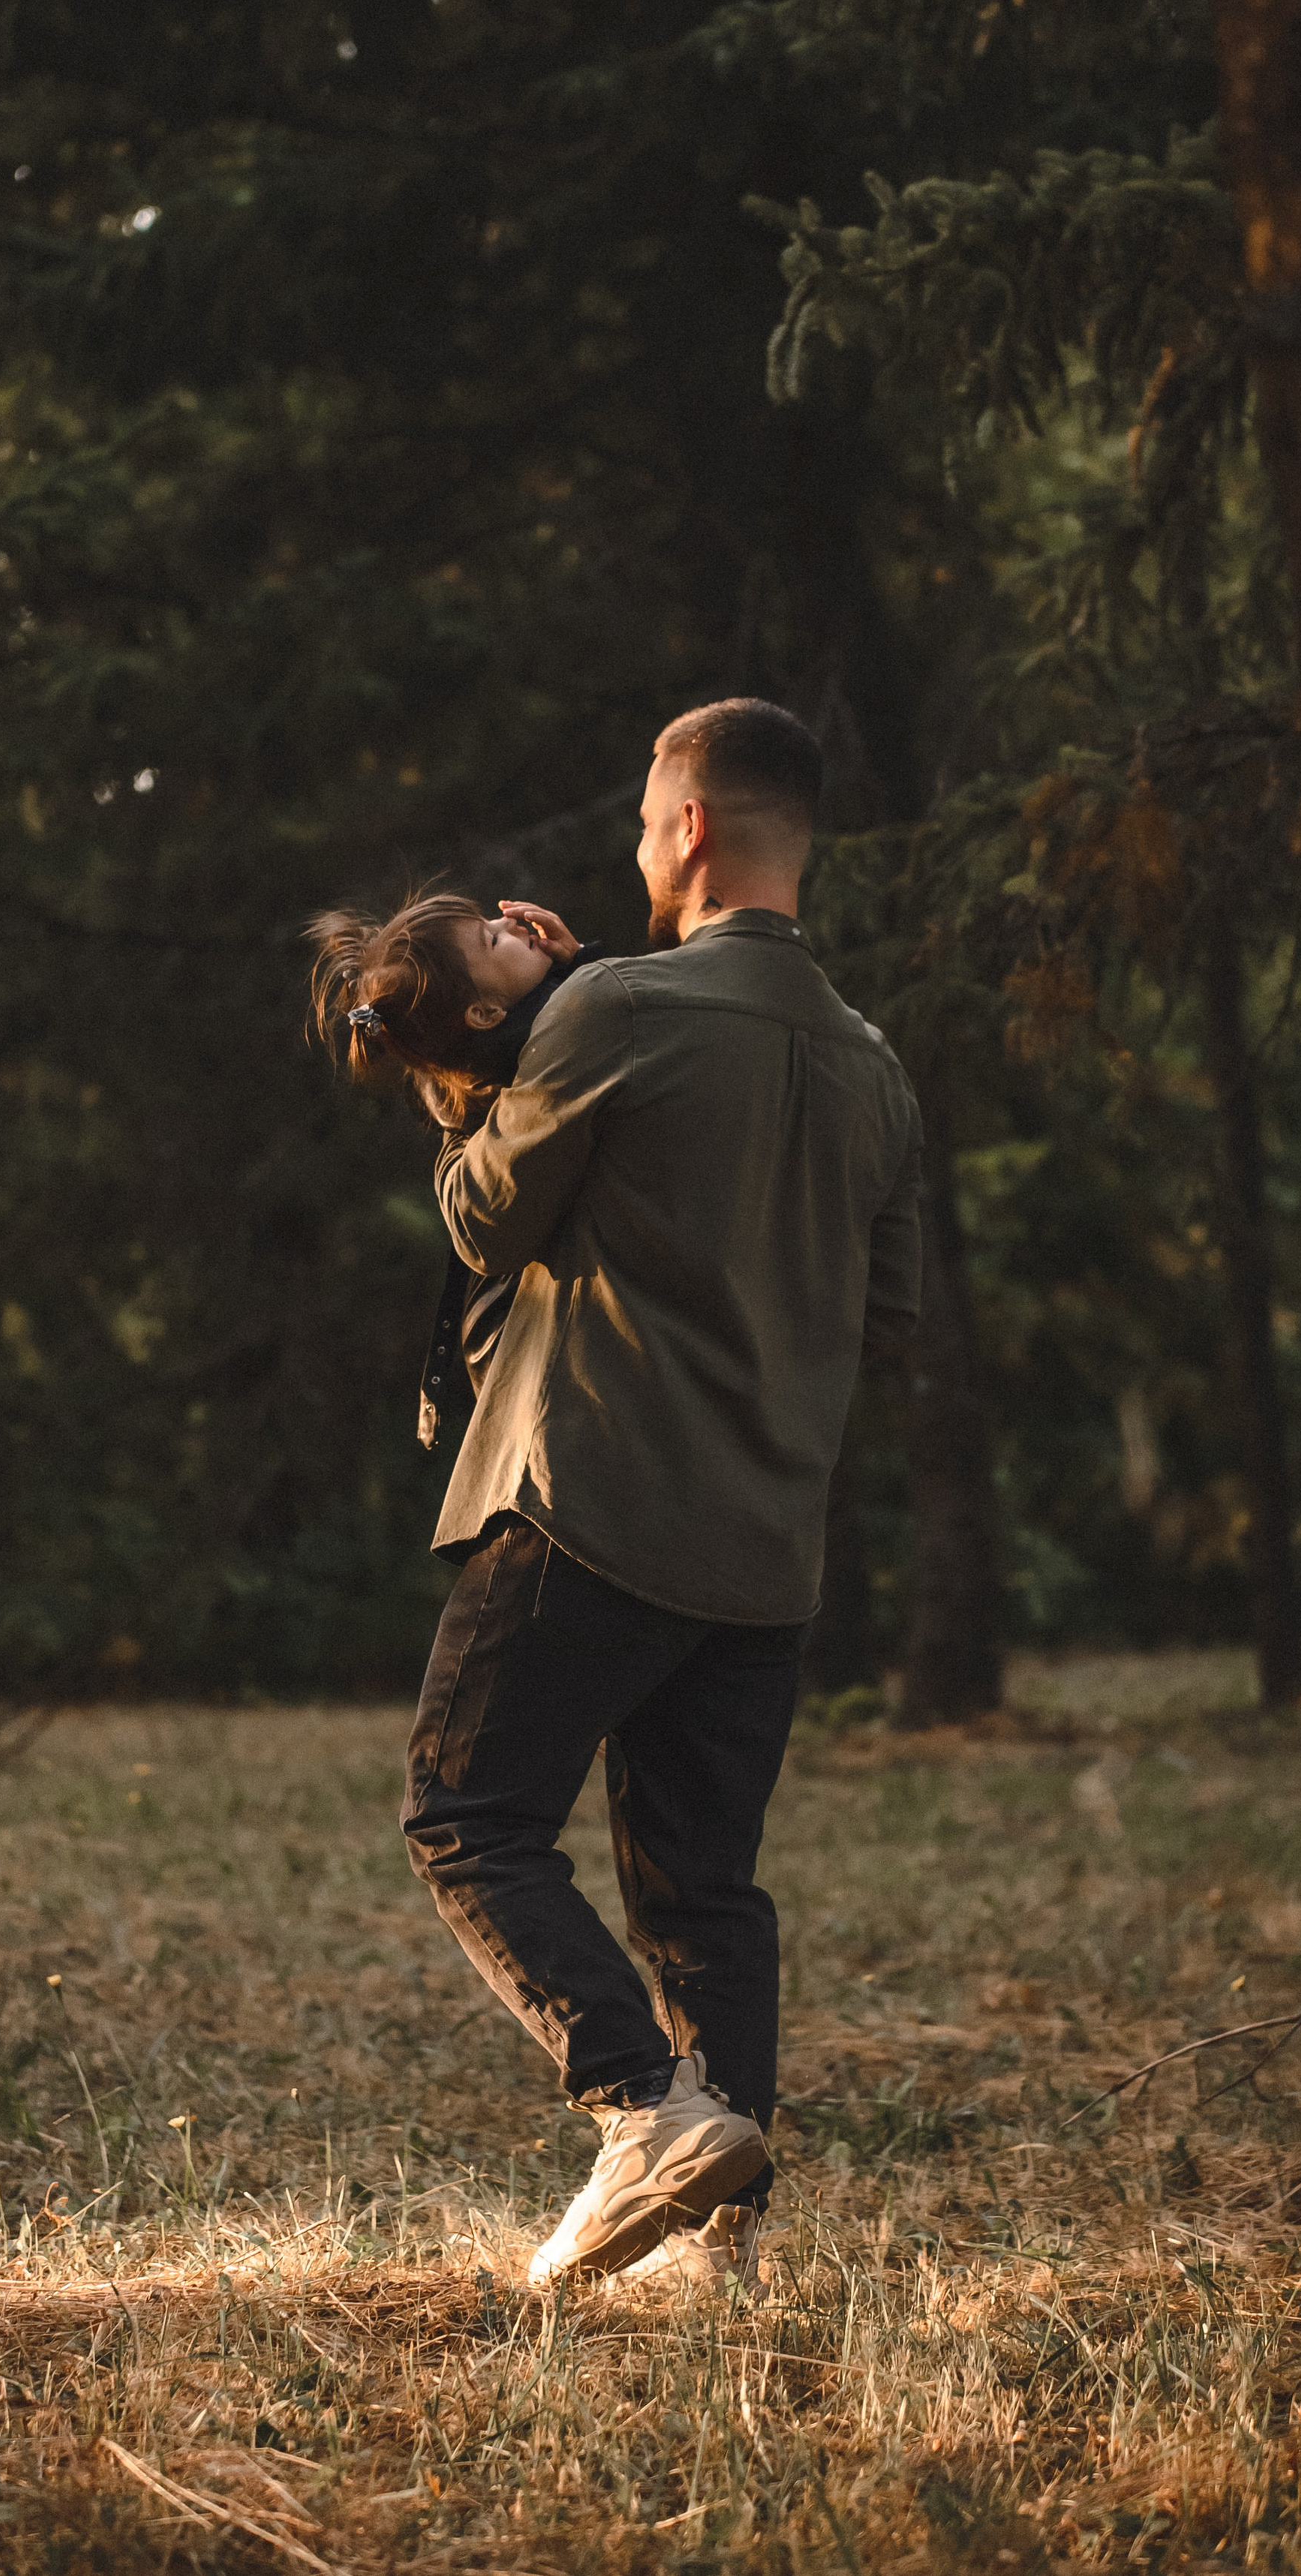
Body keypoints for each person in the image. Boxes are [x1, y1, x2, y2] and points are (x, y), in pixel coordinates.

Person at [396, 698, 924, 2292]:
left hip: (592, 1501)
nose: (637, 844)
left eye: (643, 817)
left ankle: (642, 2109)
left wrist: (477, 1067)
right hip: (766, 1549)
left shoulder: (616, 1008)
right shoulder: (874, 1068)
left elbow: (483, 1220)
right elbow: (888, 1318)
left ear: (688, 826)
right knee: (703, 1891)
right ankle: (721, 2240)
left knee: (467, 1817)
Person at [308, 891, 603, 1448]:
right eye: (492, 939)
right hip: (557, 1391)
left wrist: (581, 965)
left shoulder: (490, 1067)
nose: (511, 923)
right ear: (485, 1014)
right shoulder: (551, 1045)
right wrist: (590, 971)